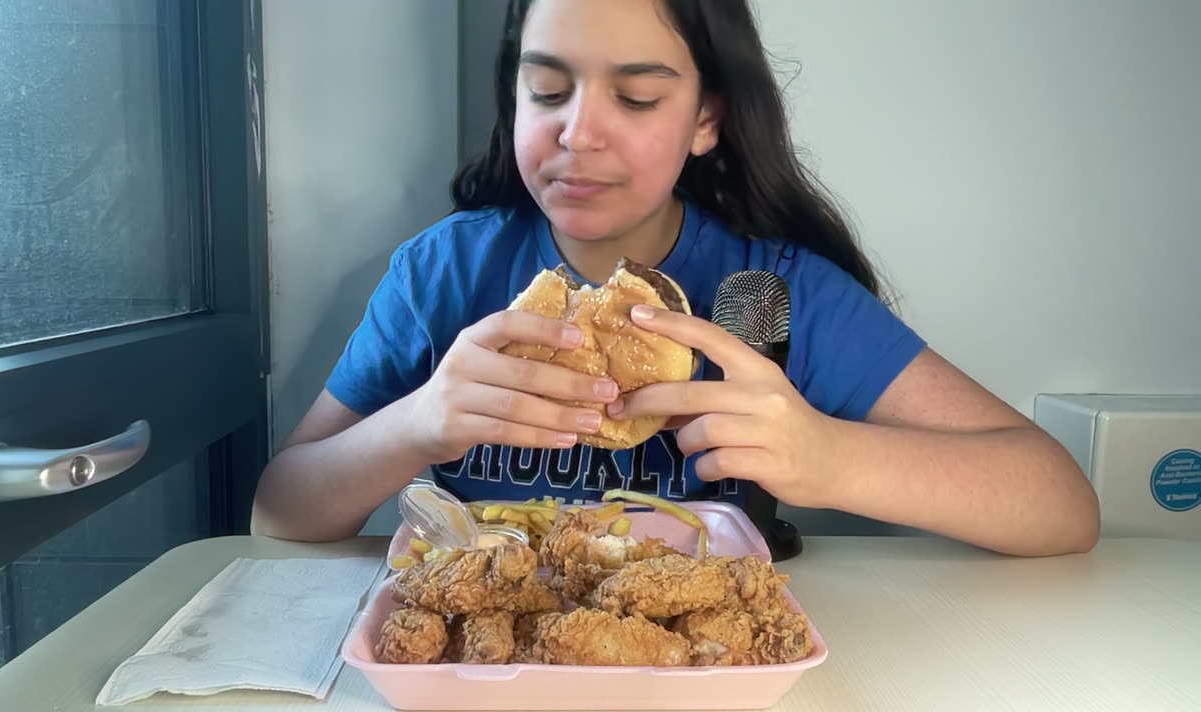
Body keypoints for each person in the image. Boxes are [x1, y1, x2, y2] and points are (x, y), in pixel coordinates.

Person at [252, 0, 1099, 557]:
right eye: (547, 89)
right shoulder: (444, 274)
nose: (578, 134)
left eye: (637, 99)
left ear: (706, 118)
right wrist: (418, 425)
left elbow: (1062, 505)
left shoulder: (772, 294)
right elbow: (279, 510)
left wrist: (830, 455)